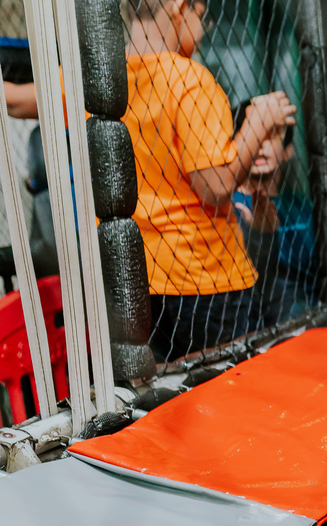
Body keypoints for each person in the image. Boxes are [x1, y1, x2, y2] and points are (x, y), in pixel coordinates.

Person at [4, 0, 296, 361]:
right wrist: (257, 124)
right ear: (179, 6)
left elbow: (12, 101)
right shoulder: (190, 80)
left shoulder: (97, 80)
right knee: (233, 384)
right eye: (201, 18)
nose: (202, 32)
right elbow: (217, 187)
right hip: (205, 279)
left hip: (132, 282)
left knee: (161, 390)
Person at [230, 100, 327, 327]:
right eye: (253, 134)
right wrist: (258, 235)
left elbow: (320, 270)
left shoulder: (301, 206)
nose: (260, 145)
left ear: (288, 151)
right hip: (262, 324)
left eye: (271, 135)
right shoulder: (224, 208)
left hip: (318, 318)